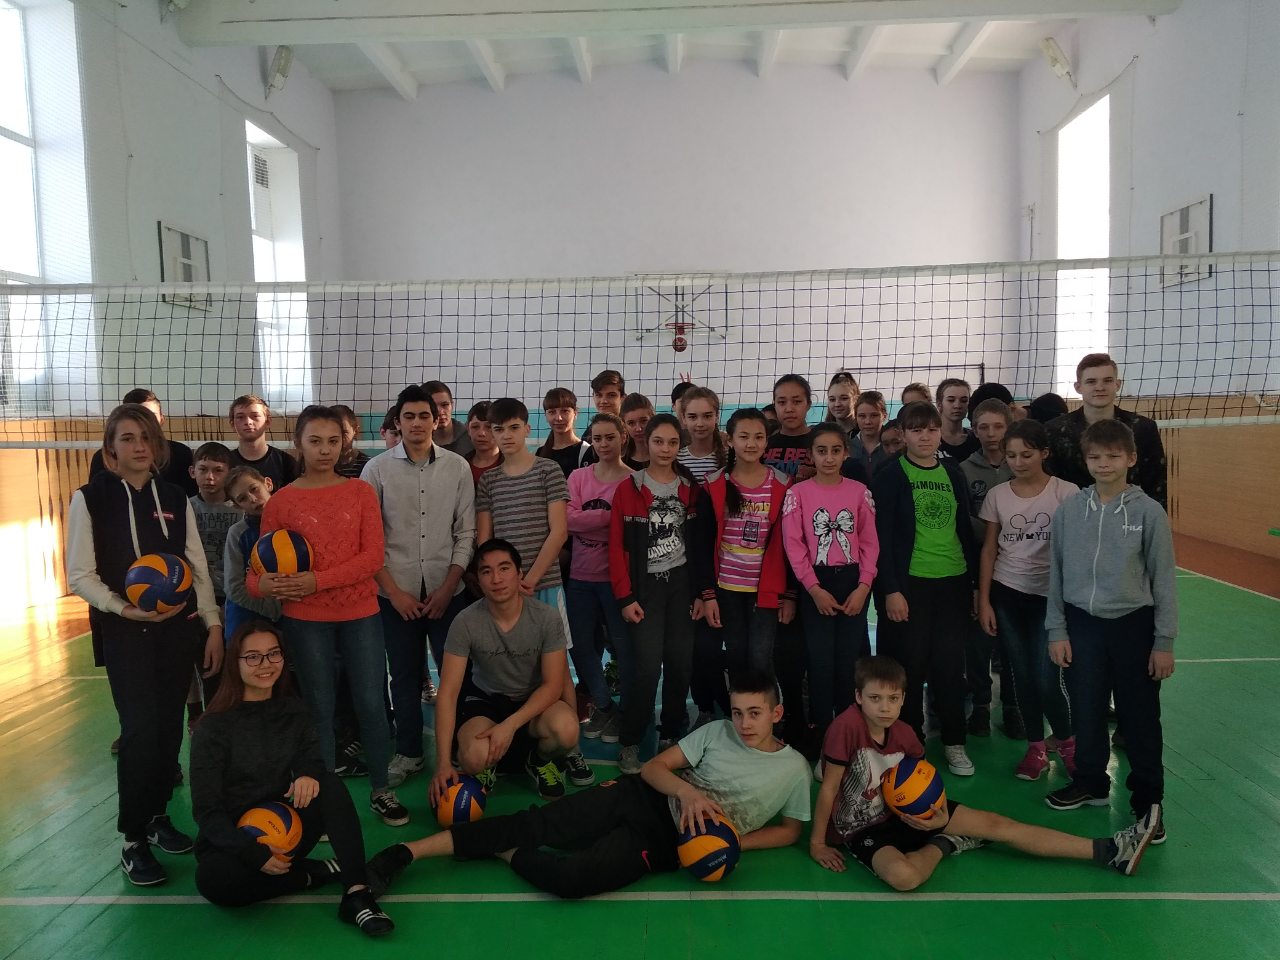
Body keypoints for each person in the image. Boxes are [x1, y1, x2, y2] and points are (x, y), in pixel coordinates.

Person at [366, 670, 812, 901]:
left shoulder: (793, 770)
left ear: (777, 713)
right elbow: (654, 768)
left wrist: (731, 841)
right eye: (738, 712)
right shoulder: (716, 732)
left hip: (666, 845)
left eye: (755, 713)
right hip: (642, 797)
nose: (744, 723)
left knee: (571, 880)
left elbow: (790, 831)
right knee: (536, 825)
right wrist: (687, 791)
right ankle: (405, 853)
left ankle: (504, 851)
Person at [808, 656, 1161, 888]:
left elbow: (924, 781)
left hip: (906, 812)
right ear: (858, 697)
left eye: (892, 699)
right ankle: (947, 844)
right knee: (904, 877)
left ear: (903, 699)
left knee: (999, 825)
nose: (884, 707)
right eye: (874, 698)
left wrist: (939, 812)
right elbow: (829, 789)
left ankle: (1111, 849)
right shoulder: (846, 729)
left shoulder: (905, 735)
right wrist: (818, 843)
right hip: (863, 828)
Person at [66, 403, 223, 885]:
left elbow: (195, 563)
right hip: (125, 630)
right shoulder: (89, 498)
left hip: (177, 630)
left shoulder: (175, 495)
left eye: (146, 437)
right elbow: (80, 575)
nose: (139, 446)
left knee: (170, 726)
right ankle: (133, 838)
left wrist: (212, 624)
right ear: (110, 448)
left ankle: (156, 816)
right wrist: (123, 608)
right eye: (128, 438)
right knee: (139, 730)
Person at [246, 405, 408, 827]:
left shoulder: (361, 492)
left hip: (361, 615)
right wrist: (268, 585)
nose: (325, 450)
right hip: (305, 620)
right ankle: (323, 799)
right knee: (318, 710)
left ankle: (381, 790)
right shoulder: (281, 502)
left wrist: (316, 580)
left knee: (371, 704)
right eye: (315, 441)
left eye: (333, 441)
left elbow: (372, 558)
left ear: (344, 443)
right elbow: (256, 575)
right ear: (298, 443)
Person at [189, 623, 394, 936]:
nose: (266, 664)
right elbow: (207, 811)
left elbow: (311, 757)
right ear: (235, 663)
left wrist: (308, 774)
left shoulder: (294, 709)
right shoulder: (212, 727)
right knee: (214, 881)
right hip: (236, 841)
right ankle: (308, 875)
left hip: (285, 830)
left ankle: (357, 892)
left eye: (273, 654)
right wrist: (252, 852)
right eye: (253, 657)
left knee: (329, 784)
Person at [1044, 419, 1175, 837]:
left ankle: (1148, 802)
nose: (1104, 464)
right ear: (1086, 461)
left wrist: (1163, 641)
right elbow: (1056, 573)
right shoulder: (1070, 511)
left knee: (1140, 718)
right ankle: (1091, 783)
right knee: (1086, 709)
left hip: (1134, 625)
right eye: (1095, 457)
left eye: (1113, 456)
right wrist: (1057, 630)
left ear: (1131, 459)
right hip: (1082, 624)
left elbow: (1164, 580)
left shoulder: (1149, 512)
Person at [361, 385, 476, 790]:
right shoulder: (376, 471)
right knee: (405, 677)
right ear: (397, 421)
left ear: (436, 419)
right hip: (396, 595)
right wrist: (395, 593)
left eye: (423, 415)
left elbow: (466, 532)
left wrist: (448, 587)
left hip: (448, 593)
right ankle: (409, 751)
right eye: (408, 416)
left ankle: (458, 747)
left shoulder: (458, 468)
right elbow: (368, 541)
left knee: (456, 674)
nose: (416, 423)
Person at [476, 397, 593, 788]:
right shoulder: (489, 481)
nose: (506, 436)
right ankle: (505, 745)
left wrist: (530, 579)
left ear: (527, 429)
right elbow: (485, 540)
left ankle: (571, 750)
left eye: (513, 428)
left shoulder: (547, 471)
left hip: (544, 587)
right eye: (498, 429)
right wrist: (503, 583)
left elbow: (559, 531)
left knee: (558, 670)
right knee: (505, 665)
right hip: (504, 592)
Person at [870, 401, 979, 777]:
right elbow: (880, 538)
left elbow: (963, 528)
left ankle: (954, 741)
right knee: (910, 668)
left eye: (931, 429)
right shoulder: (889, 474)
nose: (925, 437)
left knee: (950, 666)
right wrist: (891, 589)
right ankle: (911, 741)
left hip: (953, 581)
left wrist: (974, 585)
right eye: (916, 430)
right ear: (903, 434)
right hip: (911, 584)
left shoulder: (952, 471)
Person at [430, 539, 580, 800]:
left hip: (534, 704)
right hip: (487, 701)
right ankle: (488, 766)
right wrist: (442, 763)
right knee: (473, 758)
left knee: (567, 729)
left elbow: (553, 684)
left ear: (519, 573)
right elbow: (448, 693)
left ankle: (539, 760)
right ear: (478, 580)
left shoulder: (546, 618)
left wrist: (510, 725)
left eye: (504, 568)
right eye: (486, 571)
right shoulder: (465, 622)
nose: (496, 579)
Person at [976, 419, 1079, 781]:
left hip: (1051, 600)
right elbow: (989, 550)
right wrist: (984, 601)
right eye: (1011, 455)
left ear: (1044, 453)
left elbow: (1077, 550)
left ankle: (1067, 743)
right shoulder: (997, 496)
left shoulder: (1066, 493)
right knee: (1021, 676)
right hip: (1008, 595)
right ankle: (1036, 747)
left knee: (1048, 680)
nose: (1018, 462)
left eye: (1026, 454)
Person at [609, 414, 702, 775]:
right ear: (645, 442)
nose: (665, 449)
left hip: (681, 588)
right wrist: (625, 597)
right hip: (644, 590)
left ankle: (671, 735)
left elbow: (700, 548)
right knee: (647, 668)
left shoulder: (690, 489)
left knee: (680, 664)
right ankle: (631, 741)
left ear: (680, 446)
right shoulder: (628, 488)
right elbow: (616, 548)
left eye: (672, 442)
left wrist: (701, 594)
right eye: (658, 441)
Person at [781, 423, 878, 747]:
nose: (829, 458)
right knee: (820, 661)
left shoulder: (859, 492)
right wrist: (813, 589)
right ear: (810, 455)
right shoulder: (797, 494)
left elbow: (869, 542)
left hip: (853, 582)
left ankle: (850, 734)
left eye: (836, 451)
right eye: (821, 451)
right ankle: (824, 735)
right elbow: (793, 545)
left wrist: (863, 587)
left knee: (849, 662)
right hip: (816, 584)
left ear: (846, 453)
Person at [694, 408, 794, 677]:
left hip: (766, 590)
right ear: (730, 441)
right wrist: (708, 594)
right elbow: (701, 545)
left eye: (758, 437)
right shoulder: (714, 484)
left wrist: (790, 594)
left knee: (761, 660)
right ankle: (738, 704)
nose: (751, 443)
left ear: (766, 441)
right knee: (736, 656)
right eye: (744, 436)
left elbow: (790, 547)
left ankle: (767, 704)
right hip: (727, 589)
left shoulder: (783, 485)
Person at [566, 414, 633, 742]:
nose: (603, 444)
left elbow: (629, 528)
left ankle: (630, 713)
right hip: (580, 577)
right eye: (597, 438)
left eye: (610, 437)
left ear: (623, 438)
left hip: (616, 580)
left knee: (623, 647)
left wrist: (588, 518)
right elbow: (569, 521)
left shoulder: (633, 480)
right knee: (579, 646)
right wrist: (610, 517)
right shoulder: (578, 477)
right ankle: (604, 706)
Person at [956, 398, 1015, 739]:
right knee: (978, 641)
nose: (991, 433)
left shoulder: (1020, 465)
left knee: (1011, 642)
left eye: (998, 426)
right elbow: (964, 521)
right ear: (974, 431)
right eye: (983, 427)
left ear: (1008, 427)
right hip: (979, 565)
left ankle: (1012, 706)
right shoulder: (965, 470)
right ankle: (980, 704)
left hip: (1017, 566)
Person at [1045, 353, 1168, 510]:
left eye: (1107, 380)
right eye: (1091, 381)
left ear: (1117, 384)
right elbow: (1050, 485)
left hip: (1130, 515)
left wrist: (1154, 520)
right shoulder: (1054, 430)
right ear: (1078, 387)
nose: (1100, 387)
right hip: (1075, 515)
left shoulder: (1143, 428)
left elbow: (1156, 484)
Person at [88, 388, 197, 496]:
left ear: (162, 419)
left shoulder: (181, 453)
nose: (144, 421)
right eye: (135, 416)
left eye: (150, 415)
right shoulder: (102, 458)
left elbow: (190, 496)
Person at [223, 467, 283, 640]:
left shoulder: (292, 524)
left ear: (268, 483)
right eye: (242, 498)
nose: (253, 499)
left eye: (254, 489)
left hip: (290, 616)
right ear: (237, 505)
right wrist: (272, 609)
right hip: (246, 616)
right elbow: (234, 588)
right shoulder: (237, 533)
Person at [227, 394, 298, 490]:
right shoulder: (225, 463)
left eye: (255, 416)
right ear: (232, 424)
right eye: (240, 417)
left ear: (267, 421)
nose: (248, 422)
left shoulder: (286, 462)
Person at [763, 373, 816, 481]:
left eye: (797, 402)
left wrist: (819, 475)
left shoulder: (822, 443)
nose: (789, 409)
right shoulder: (763, 445)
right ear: (775, 405)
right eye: (782, 402)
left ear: (808, 404)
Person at [536, 387, 591, 478]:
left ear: (575, 413)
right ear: (545, 415)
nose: (558, 418)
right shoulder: (540, 453)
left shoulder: (586, 451)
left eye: (565, 411)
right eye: (552, 412)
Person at [677, 385, 727, 482]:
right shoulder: (676, 459)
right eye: (693, 417)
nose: (700, 424)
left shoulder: (731, 458)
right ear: (684, 418)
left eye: (707, 416)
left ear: (717, 416)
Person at [423, 380, 474, 458]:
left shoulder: (471, 437)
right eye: (433, 406)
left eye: (445, 405)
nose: (440, 412)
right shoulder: (417, 440)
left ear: (452, 405)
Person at [848, 390, 891, 477]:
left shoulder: (894, 447)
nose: (867, 422)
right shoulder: (847, 447)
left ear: (884, 416)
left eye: (874, 415)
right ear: (856, 417)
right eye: (862, 416)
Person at [936, 378, 978, 461]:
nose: (957, 405)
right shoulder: (929, 439)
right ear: (939, 404)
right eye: (951, 400)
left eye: (964, 401)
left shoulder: (976, 439)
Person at [463, 400, 502, 486]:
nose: (481, 433)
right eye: (475, 427)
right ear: (468, 429)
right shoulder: (461, 465)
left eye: (488, 427)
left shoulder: (512, 465)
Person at [332, 404, 371, 479]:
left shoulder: (369, 465)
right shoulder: (320, 466)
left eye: (344, 432)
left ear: (356, 431)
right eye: (332, 433)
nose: (338, 437)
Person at [620, 393, 656, 469]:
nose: (638, 429)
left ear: (652, 419)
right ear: (624, 425)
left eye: (643, 421)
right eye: (631, 423)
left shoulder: (667, 457)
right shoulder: (620, 463)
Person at [825, 371, 859, 437]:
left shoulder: (864, 433)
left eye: (844, 398)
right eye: (832, 399)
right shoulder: (822, 433)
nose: (837, 404)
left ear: (855, 399)